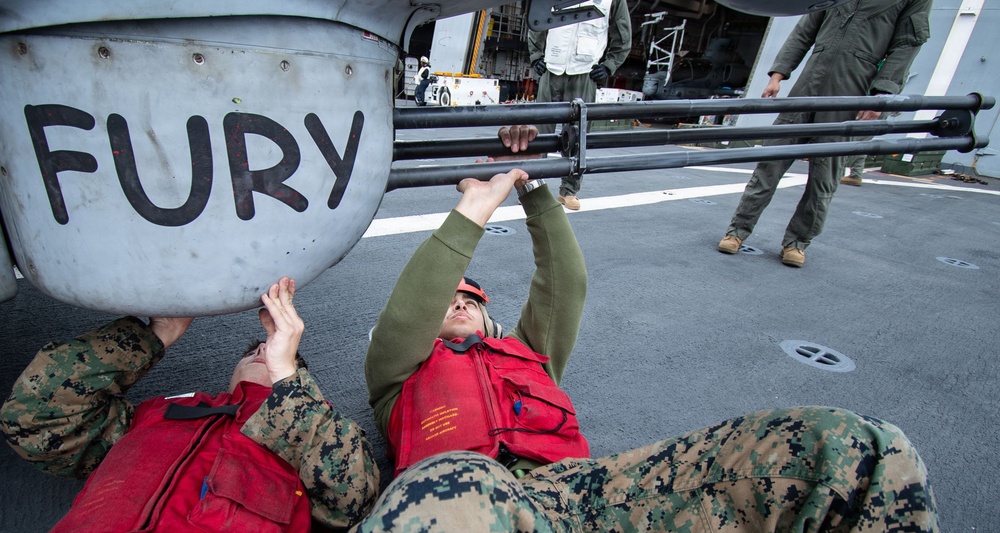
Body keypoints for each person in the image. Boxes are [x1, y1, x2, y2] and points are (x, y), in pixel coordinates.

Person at [358, 125, 938, 531]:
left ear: (492, 319)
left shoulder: (529, 352)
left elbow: (565, 285)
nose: (458, 302)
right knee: (455, 487)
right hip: (455, 504)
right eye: (449, 300)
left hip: (581, 500)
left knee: (853, 450)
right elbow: (411, 310)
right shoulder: (397, 373)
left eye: (471, 300)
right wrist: (475, 209)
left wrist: (533, 187)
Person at [0, 277, 380, 531]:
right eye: (256, 351)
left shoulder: (313, 430)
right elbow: (38, 417)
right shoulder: (156, 414)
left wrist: (286, 377)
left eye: (277, 354)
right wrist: (156, 335)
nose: (264, 350)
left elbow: (353, 498)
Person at [717, 0, 931, 267]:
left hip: (851, 90)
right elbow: (805, 29)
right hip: (808, 86)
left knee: (824, 176)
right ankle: (737, 231)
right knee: (771, 163)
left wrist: (883, 93)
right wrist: (778, 74)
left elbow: (907, 43)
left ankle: (797, 242)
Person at [528, 0, 632, 210]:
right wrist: (536, 55)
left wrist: (609, 65)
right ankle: (532, 185)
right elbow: (537, 22)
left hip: (585, 71)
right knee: (538, 131)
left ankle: (568, 191)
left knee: (578, 135)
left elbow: (622, 35)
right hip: (552, 67)